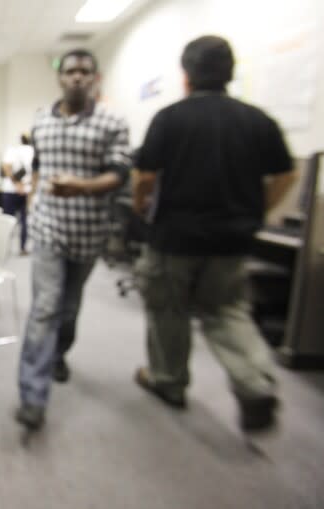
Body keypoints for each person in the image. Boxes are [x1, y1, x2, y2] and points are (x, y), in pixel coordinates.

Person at [132, 35, 296, 432]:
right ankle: (255, 383)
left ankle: (169, 381)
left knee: (168, 310)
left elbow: (145, 177)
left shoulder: (170, 118)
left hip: (175, 237)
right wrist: (259, 211)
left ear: (186, 75)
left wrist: (142, 209)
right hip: (232, 240)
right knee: (226, 311)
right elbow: (286, 174)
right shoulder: (258, 120)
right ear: (230, 73)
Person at [15, 49, 131, 430]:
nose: (77, 77)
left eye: (85, 72)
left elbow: (119, 174)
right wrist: (32, 206)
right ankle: (33, 395)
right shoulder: (41, 120)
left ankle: (59, 353)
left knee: (69, 307)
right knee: (45, 306)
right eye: (70, 71)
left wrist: (80, 187)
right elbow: (37, 167)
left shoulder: (112, 121)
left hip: (89, 232)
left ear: (94, 78)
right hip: (48, 228)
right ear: (60, 78)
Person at [0, 133, 34, 254]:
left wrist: (16, 184)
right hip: (26, 190)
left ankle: (4, 248)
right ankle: (23, 248)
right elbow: (36, 172)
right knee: (25, 220)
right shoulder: (33, 151)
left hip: (10, 189)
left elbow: (6, 166)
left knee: (7, 219)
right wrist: (24, 186)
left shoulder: (12, 150)